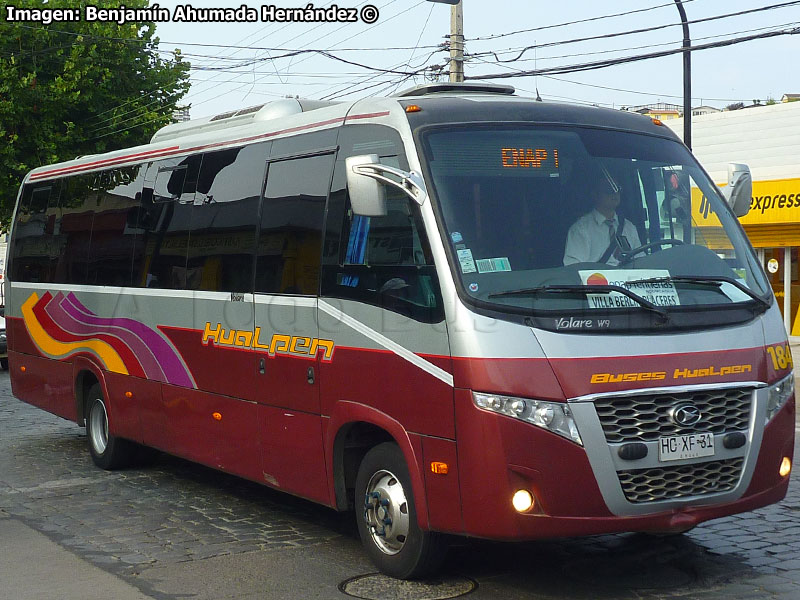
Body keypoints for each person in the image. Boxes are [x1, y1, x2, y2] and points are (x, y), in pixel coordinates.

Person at [563, 177, 641, 265]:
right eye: (609, 189)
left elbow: (640, 261)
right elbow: (574, 268)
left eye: (618, 189)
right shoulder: (581, 229)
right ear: (595, 194)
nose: (615, 193)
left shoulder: (629, 227)